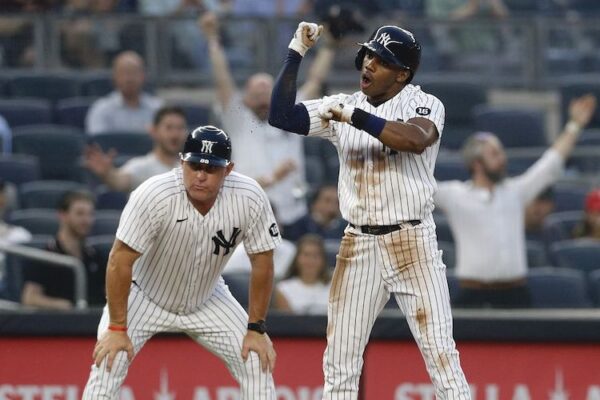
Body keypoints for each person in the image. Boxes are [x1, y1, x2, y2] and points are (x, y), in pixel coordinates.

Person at [269, 23, 471, 398]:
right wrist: (296, 50)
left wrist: (352, 117)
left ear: (402, 74)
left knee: (441, 355)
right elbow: (280, 115)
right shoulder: (346, 104)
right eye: (369, 55)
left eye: (382, 60)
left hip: (412, 243)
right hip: (358, 243)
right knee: (340, 362)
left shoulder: (421, 102)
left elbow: (415, 139)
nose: (369, 64)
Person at [82, 125, 279, 399]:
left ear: (228, 170)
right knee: (109, 362)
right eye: (194, 165)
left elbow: (263, 261)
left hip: (207, 297)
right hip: (143, 295)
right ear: (181, 161)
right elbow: (119, 260)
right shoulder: (154, 194)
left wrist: (256, 327)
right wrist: (117, 327)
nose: (200, 176)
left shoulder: (249, 196)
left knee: (257, 360)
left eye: (210, 169)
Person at [434, 94, 597, 308]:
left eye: (501, 153)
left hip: (515, 293)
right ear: (477, 164)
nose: (503, 159)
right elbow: (419, 185)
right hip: (472, 293)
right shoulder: (456, 195)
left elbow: (551, 163)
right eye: (495, 154)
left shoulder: (515, 191)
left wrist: (575, 125)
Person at [199, 12, 339, 228]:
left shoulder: (289, 114)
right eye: (257, 91)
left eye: (267, 90)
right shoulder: (237, 118)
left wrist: (329, 46)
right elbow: (222, 78)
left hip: (293, 215)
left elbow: (315, 81)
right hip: (248, 212)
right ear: (245, 95)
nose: (263, 95)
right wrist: (211, 38)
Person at [21, 190, 100, 309]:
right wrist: (63, 306)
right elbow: (30, 298)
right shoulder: (45, 257)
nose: (86, 220)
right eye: (80, 214)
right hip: (57, 324)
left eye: (90, 214)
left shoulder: (96, 257)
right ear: (63, 215)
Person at [85, 105, 188, 192]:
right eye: (169, 128)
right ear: (153, 131)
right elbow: (120, 181)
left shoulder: (193, 170)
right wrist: (107, 174)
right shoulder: (141, 166)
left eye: (180, 128)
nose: (175, 135)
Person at [85, 50, 163, 135]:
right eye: (124, 73)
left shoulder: (158, 109)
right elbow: (98, 142)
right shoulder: (101, 109)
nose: (129, 79)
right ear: (114, 77)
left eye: (134, 73)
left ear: (143, 76)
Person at [273, 234, 331, 315]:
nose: (311, 261)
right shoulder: (283, 289)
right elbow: (287, 324)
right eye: (306, 255)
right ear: (297, 258)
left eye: (316, 256)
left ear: (323, 260)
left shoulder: (335, 288)